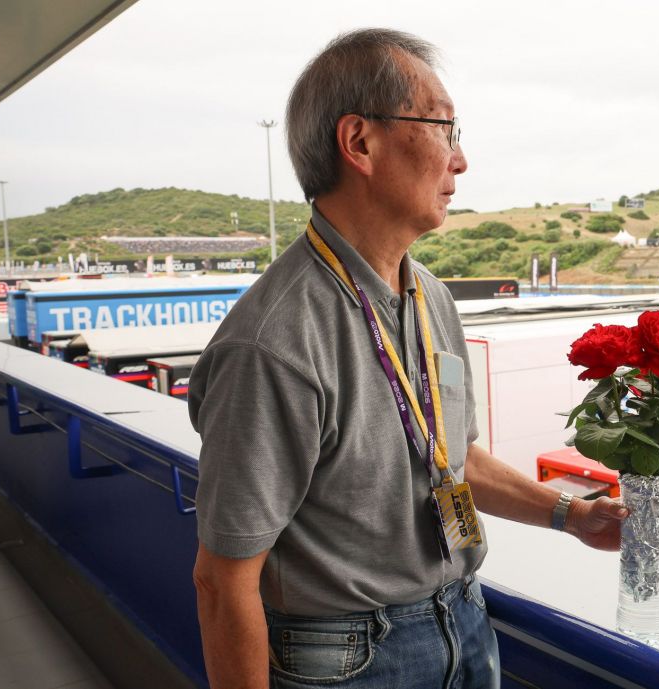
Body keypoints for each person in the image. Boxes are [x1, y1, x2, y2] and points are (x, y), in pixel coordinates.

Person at [189, 29, 631, 689]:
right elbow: (223, 582)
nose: (461, 161)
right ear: (360, 142)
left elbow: (451, 458)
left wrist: (572, 515)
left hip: (465, 622)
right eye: (444, 128)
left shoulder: (430, 296)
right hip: (347, 657)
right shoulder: (273, 342)